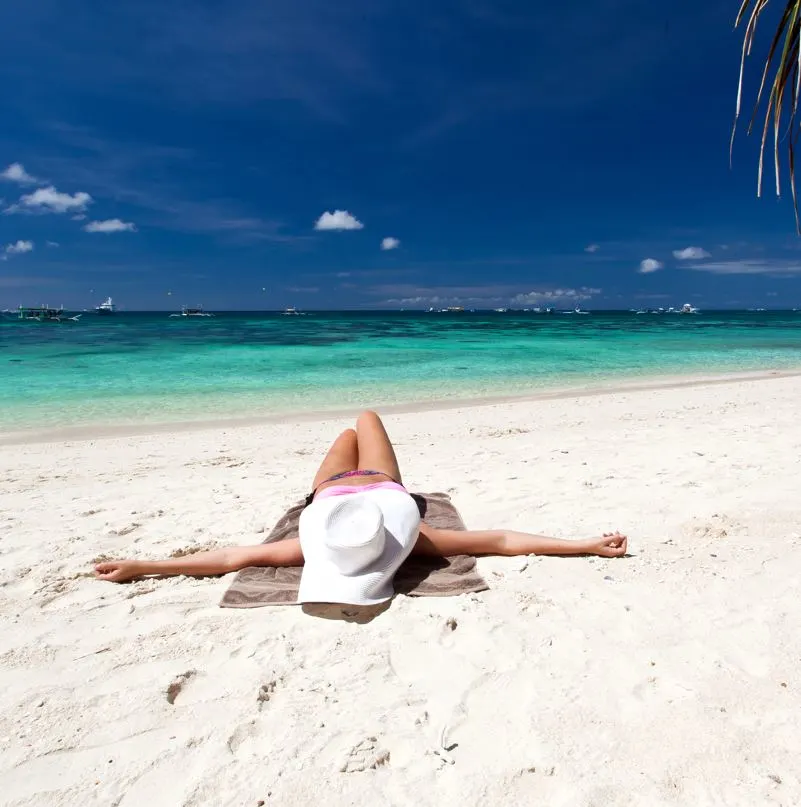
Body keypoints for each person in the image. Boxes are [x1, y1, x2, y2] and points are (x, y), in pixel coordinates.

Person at [95, 411, 627, 604]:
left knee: (353, 426)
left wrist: (148, 566)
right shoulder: (413, 540)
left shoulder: (310, 544)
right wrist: (582, 544)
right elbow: (502, 541)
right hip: (368, 487)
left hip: (335, 489)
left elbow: (233, 558)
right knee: (363, 419)